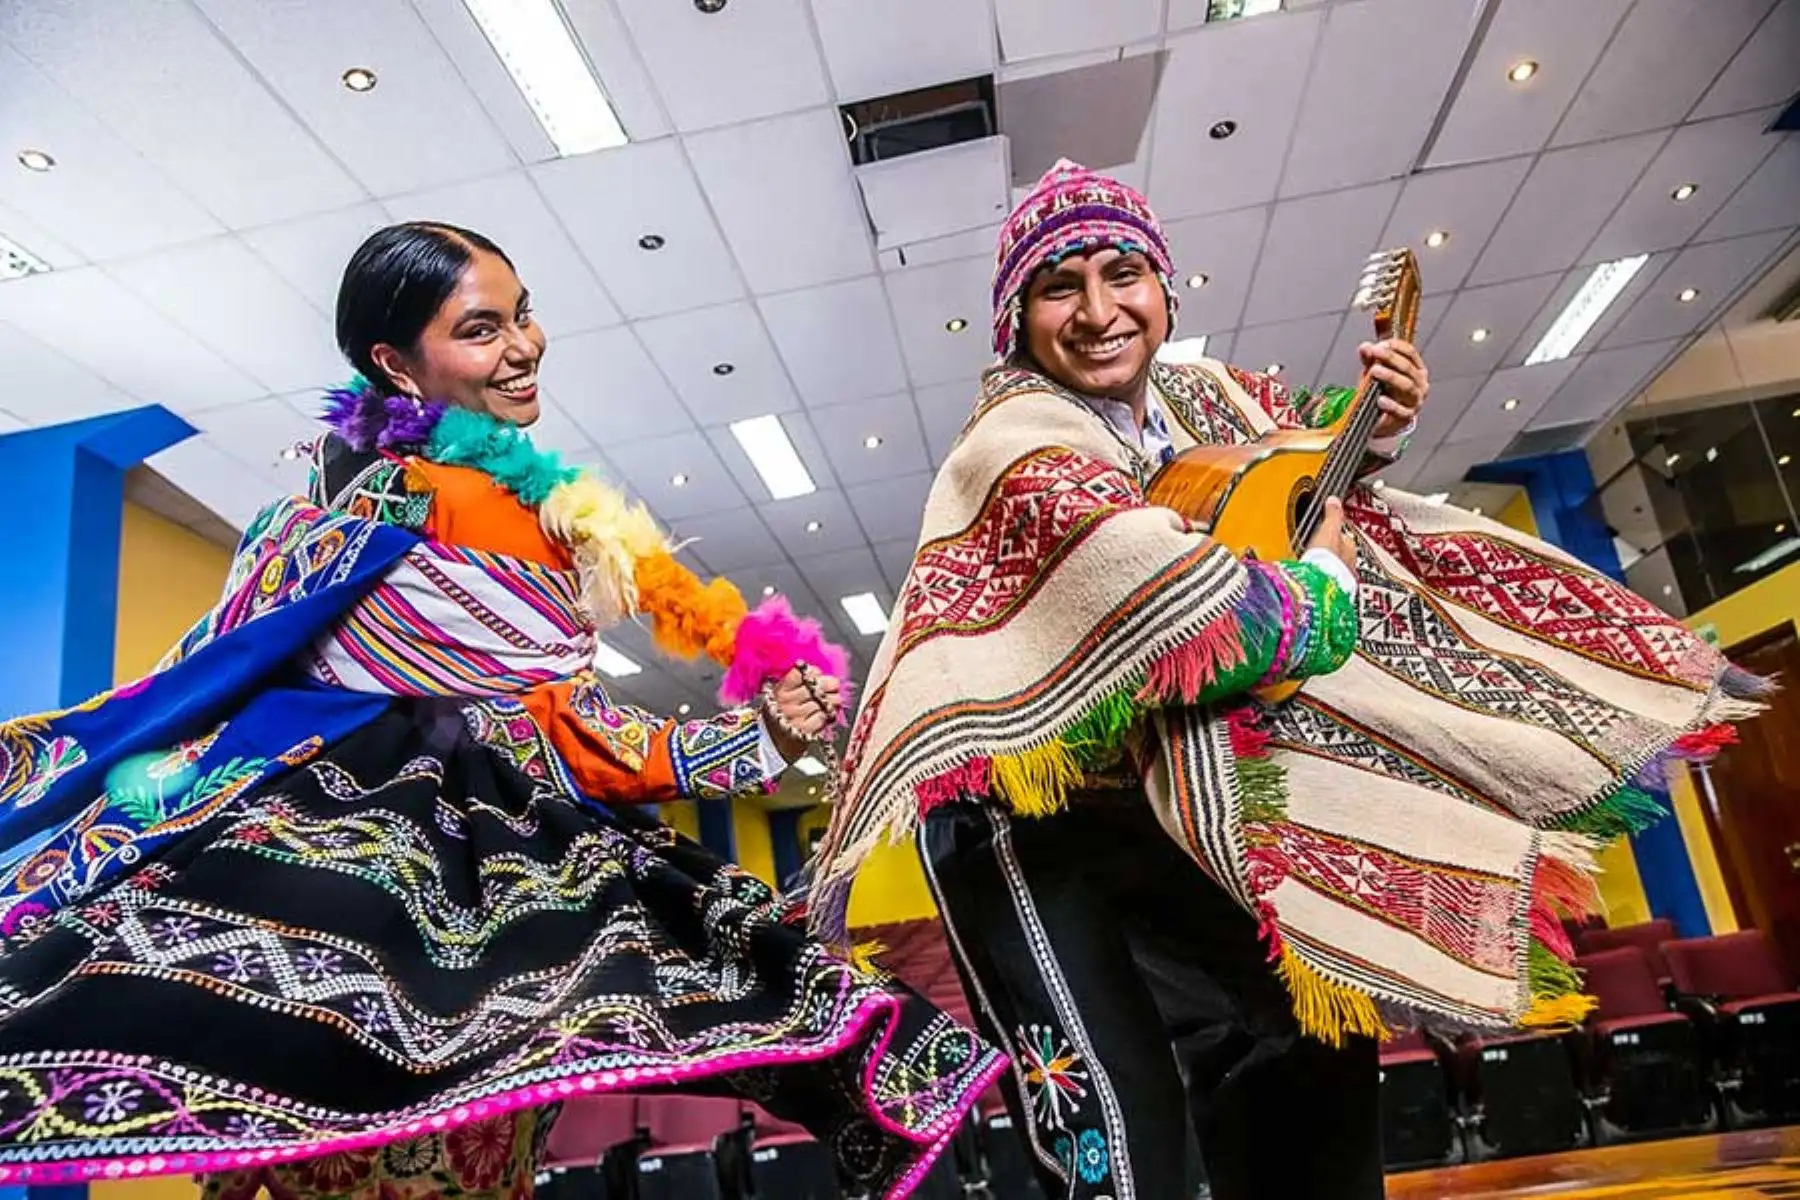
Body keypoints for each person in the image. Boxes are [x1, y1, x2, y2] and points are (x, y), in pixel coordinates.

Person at [804, 162, 1764, 1198]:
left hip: (1162, 801)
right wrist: (1328, 585)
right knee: (1120, 1121)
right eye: (1057, 286)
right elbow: (1223, 612)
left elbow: (1303, 454)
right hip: (1016, 819)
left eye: (1121, 273)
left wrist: (1378, 426)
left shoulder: (1203, 399)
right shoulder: (1014, 445)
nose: (1096, 312)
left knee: (1300, 1032)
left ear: (1165, 288)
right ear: (1016, 322)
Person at [0, 222, 1003, 1200]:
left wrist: (759, 737)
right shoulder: (430, 505)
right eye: (481, 330)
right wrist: (756, 738)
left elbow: (543, 726)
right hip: (409, 894)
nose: (522, 347)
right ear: (395, 363)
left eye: (522, 316)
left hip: (365, 885)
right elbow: (546, 734)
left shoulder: (393, 499)